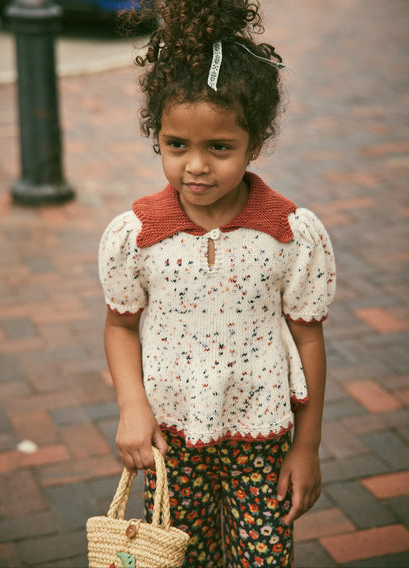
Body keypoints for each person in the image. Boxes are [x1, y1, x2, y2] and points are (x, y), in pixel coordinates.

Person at [99, 1, 336, 566]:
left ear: (253, 145)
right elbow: (120, 326)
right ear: (157, 135)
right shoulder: (137, 235)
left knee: (264, 559)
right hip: (171, 442)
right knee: (185, 558)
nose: (196, 166)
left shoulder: (289, 234)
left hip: (263, 440)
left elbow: (308, 340)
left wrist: (307, 447)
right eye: (177, 145)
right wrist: (132, 408)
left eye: (219, 148)